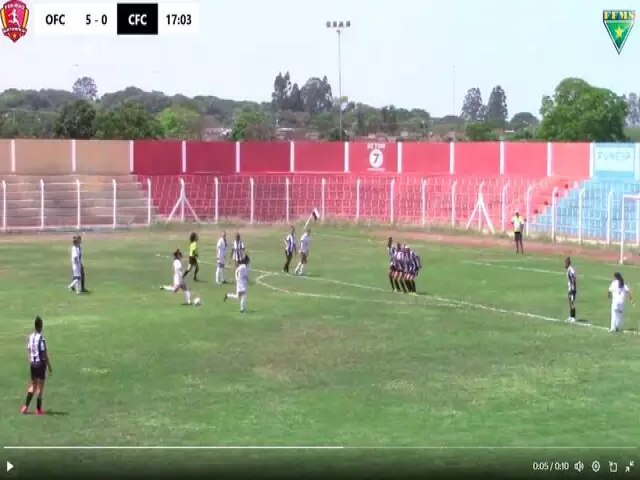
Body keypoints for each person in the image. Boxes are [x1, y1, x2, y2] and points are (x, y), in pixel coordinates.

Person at [21, 316, 52, 415]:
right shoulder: (41, 338)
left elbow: (29, 350)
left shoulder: (30, 337)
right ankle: (38, 410)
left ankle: (25, 407)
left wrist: (31, 360)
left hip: (33, 364)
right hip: (40, 364)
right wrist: (49, 366)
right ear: (41, 326)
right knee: (40, 388)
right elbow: (44, 353)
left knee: (33, 386)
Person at [565, 257, 577, 323]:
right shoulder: (569, 269)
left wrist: (572, 289)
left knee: (572, 303)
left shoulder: (571, 270)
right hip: (570, 288)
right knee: (570, 302)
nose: (564, 265)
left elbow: (573, 280)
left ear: (567, 263)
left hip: (572, 289)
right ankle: (570, 316)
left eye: (565, 263)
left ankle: (573, 317)